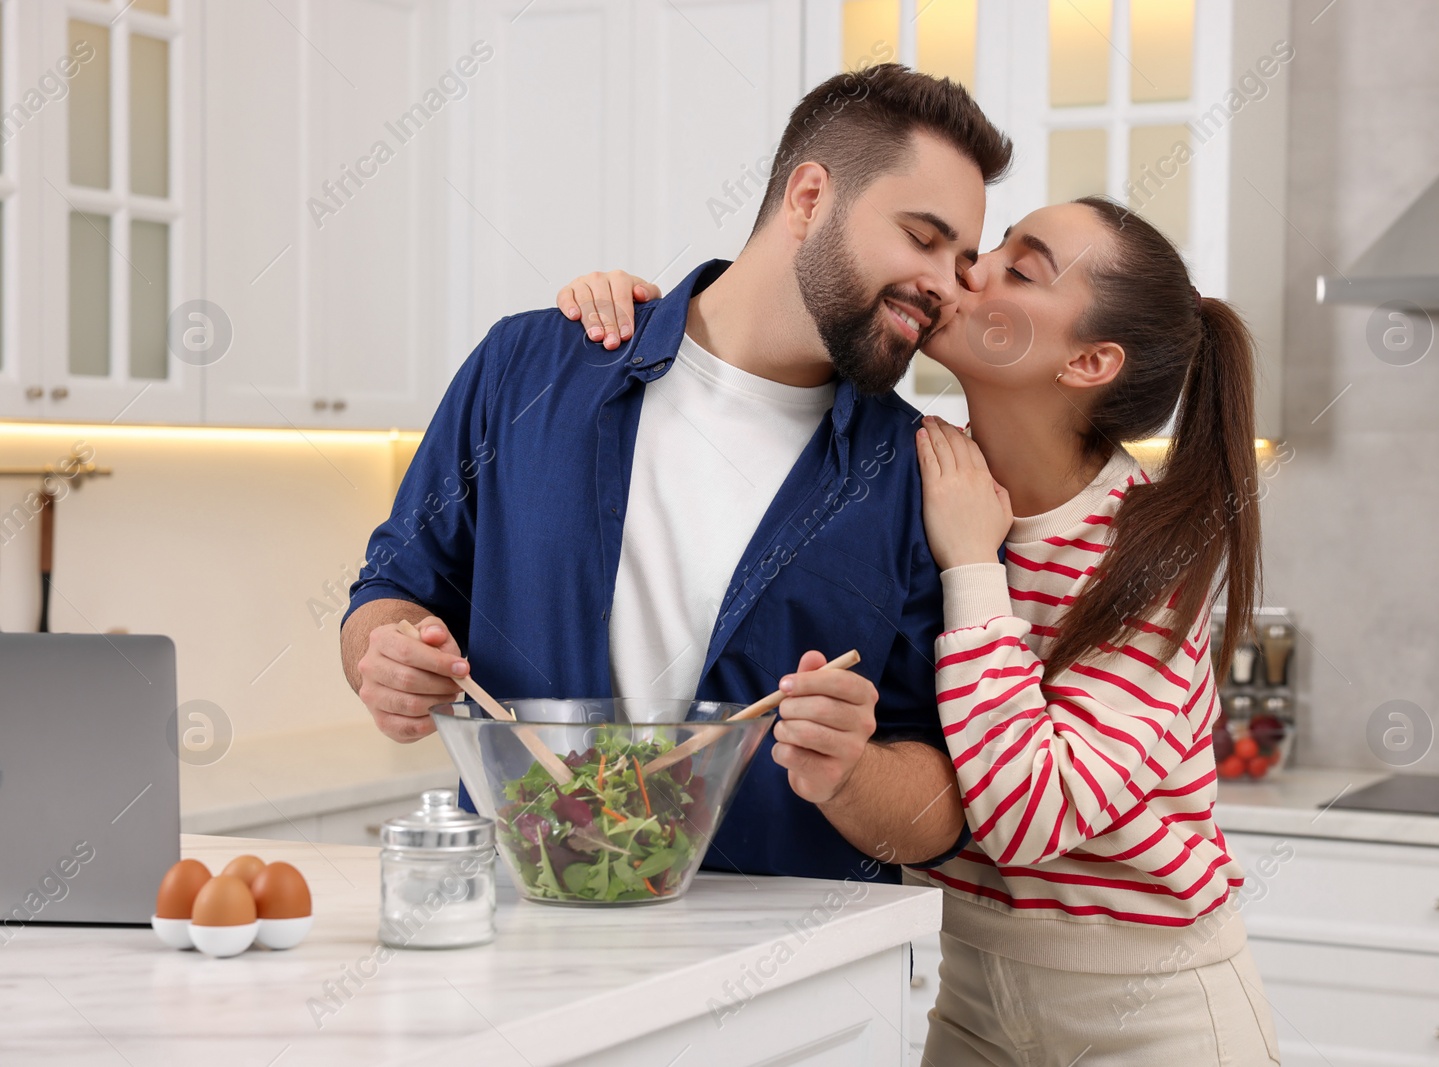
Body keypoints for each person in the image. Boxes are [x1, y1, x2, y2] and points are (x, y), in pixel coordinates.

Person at [556, 197, 1279, 1062]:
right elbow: (765, 343)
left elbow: (1020, 816)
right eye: (993, 243)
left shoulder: (1149, 556)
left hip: (1154, 1013)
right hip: (969, 988)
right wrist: (648, 321)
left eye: (1020, 268)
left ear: (1088, 361)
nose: (970, 268)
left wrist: (973, 567)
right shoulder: (922, 471)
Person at [339, 64, 1014, 884]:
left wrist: (852, 771)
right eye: (923, 237)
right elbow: (389, 592)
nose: (948, 285)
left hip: (781, 985)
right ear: (808, 200)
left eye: (964, 258)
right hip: (523, 936)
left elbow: (947, 804)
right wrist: (390, 658)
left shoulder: (921, 477)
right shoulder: (530, 368)